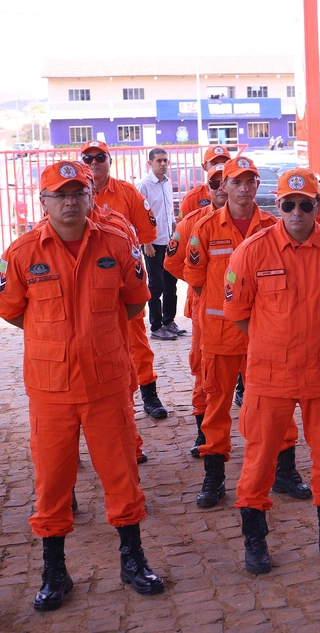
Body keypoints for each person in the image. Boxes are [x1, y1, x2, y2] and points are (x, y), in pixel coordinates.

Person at [0, 162, 164, 611]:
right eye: (60, 194)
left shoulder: (117, 243)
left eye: (78, 193)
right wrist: (57, 342)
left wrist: (96, 338)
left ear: (92, 197)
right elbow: (12, 310)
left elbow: (133, 304)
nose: (70, 202)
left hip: (107, 384)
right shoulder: (20, 252)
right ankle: (55, 571)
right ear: (44, 202)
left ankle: (132, 559)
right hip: (51, 390)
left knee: (121, 475)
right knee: (52, 482)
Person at [226, 168, 320, 572]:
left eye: (306, 204)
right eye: (289, 204)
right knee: (259, 460)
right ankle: (255, 540)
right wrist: (275, 342)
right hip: (270, 377)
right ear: (278, 205)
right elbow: (238, 313)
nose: (297, 212)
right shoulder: (253, 251)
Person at [184, 157, 309, 507]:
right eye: (236, 181)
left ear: (257, 186)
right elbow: (195, 280)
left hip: (263, 337)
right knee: (217, 407)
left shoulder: (273, 225)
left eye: (250, 181)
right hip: (220, 336)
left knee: (277, 406)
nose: (244, 187)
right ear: (224, 185)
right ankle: (214, 476)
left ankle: (285, 470)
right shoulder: (205, 228)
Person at [81, 140, 169, 424]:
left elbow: (146, 233)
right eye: (88, 158)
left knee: (136, 338)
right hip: (85, 284)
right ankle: (98, 402)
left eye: (100, 157)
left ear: (109, 160)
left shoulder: (128, 193)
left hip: (125, 279)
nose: (94, 163)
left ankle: (148, 392)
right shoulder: (72, 193)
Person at [166, 163, 229, 457]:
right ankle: (204, 434)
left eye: (224, 182)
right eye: (214, 183)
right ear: (208, 187)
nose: (220, 189)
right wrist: (204, 286)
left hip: (251, 316)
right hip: (208, 312)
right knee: (205, 373)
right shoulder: (193, 223)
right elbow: (172, 262)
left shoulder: (263, 224)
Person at [136, 148, 182, 341]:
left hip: (168, 240)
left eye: (165, 160)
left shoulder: (167, 182)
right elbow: (138, 216)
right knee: (156, 285)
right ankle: (156, 326)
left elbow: (169, 210)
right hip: (152, 243)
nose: (163, 164)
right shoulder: (143, 185)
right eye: (159, 161)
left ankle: (168, 320)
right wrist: (146, 243)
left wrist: (175, 230)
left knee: (171, 283)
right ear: (150, 163)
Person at [178, 145, 232, 218]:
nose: (220, 166)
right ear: (204, 167)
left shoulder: (239, 194)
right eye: (215, 163)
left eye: (224, 163)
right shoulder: (192, 198)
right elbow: (181, 223)